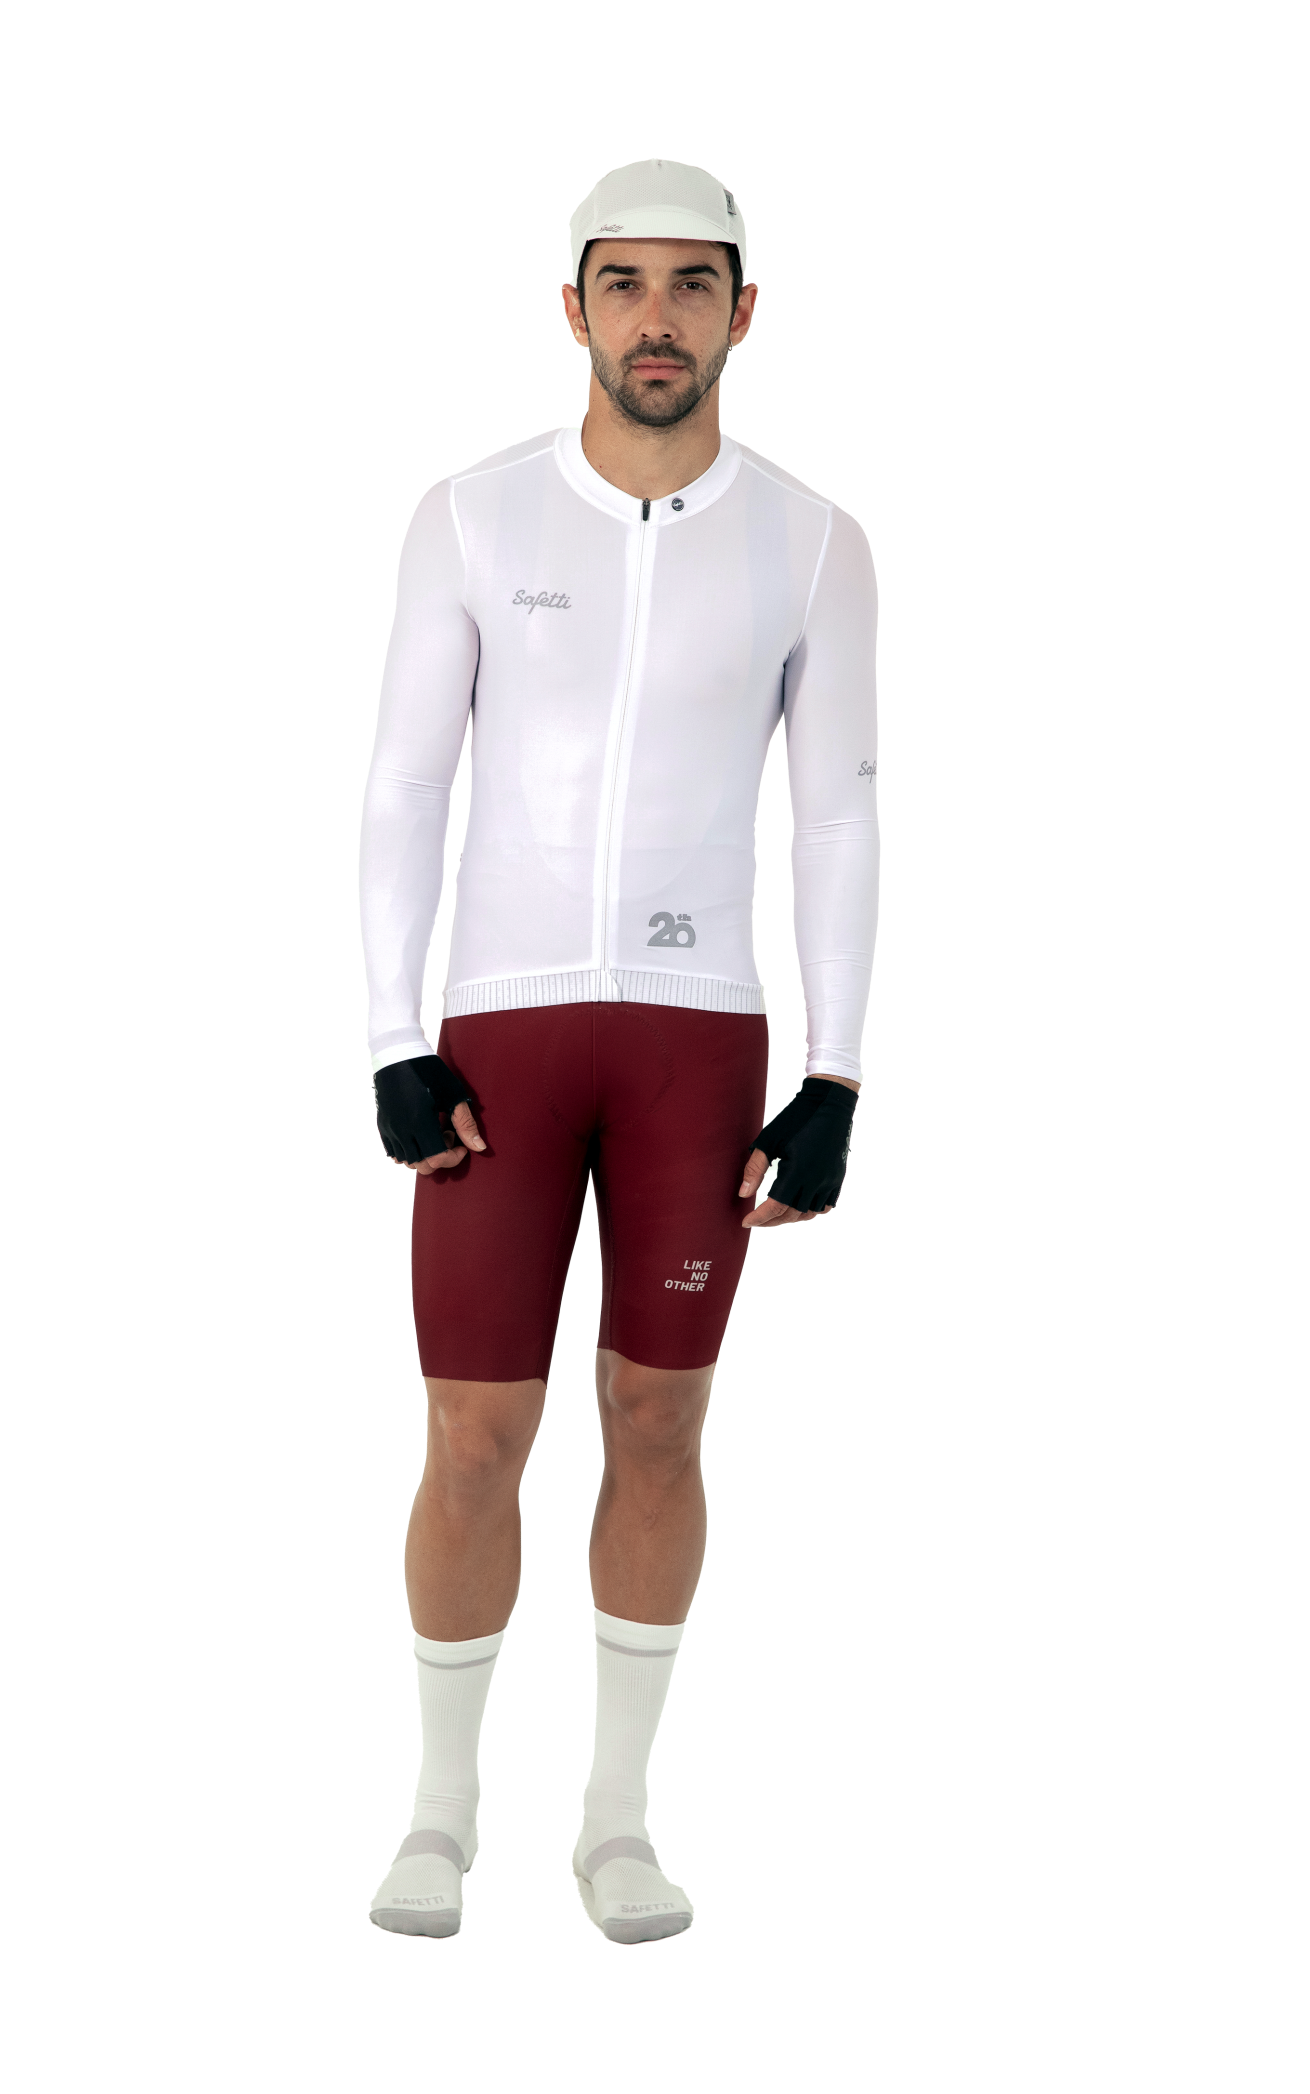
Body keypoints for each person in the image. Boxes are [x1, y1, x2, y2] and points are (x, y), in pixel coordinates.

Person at [361, 159, 878, 1943]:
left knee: (659, 1421)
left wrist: (837, 1074)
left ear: (746, 312)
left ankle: (617, 1822)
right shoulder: (472, 517)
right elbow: (404, 787)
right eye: (626, 283)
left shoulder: (814, 541)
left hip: (696, 1039)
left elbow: (839, 814)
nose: (659, 317)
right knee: (471, 1431)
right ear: (573, 309)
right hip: (500, 1034)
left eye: (693, 283)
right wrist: (391, 1038)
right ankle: (439, 1813)